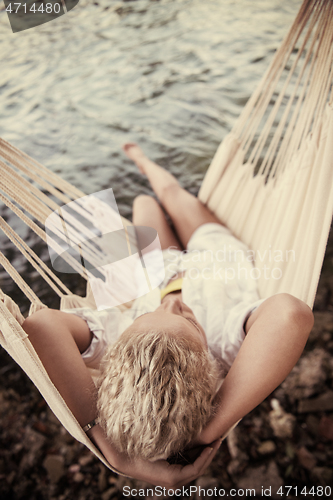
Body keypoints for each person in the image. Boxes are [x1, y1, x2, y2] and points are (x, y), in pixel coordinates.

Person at [22, 143, 314, 487]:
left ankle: (141, 160)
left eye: (150, 316)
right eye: (189, 322)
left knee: (144, 204)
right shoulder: (225, 344)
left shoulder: (115, 339)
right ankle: (143, 159)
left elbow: (40, 325)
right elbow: (290, 315)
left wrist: (107, 446)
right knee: (171, 192)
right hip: (215, 257)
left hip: (157, 267)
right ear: (208, 367)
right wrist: (211, 429)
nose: (173, 303)